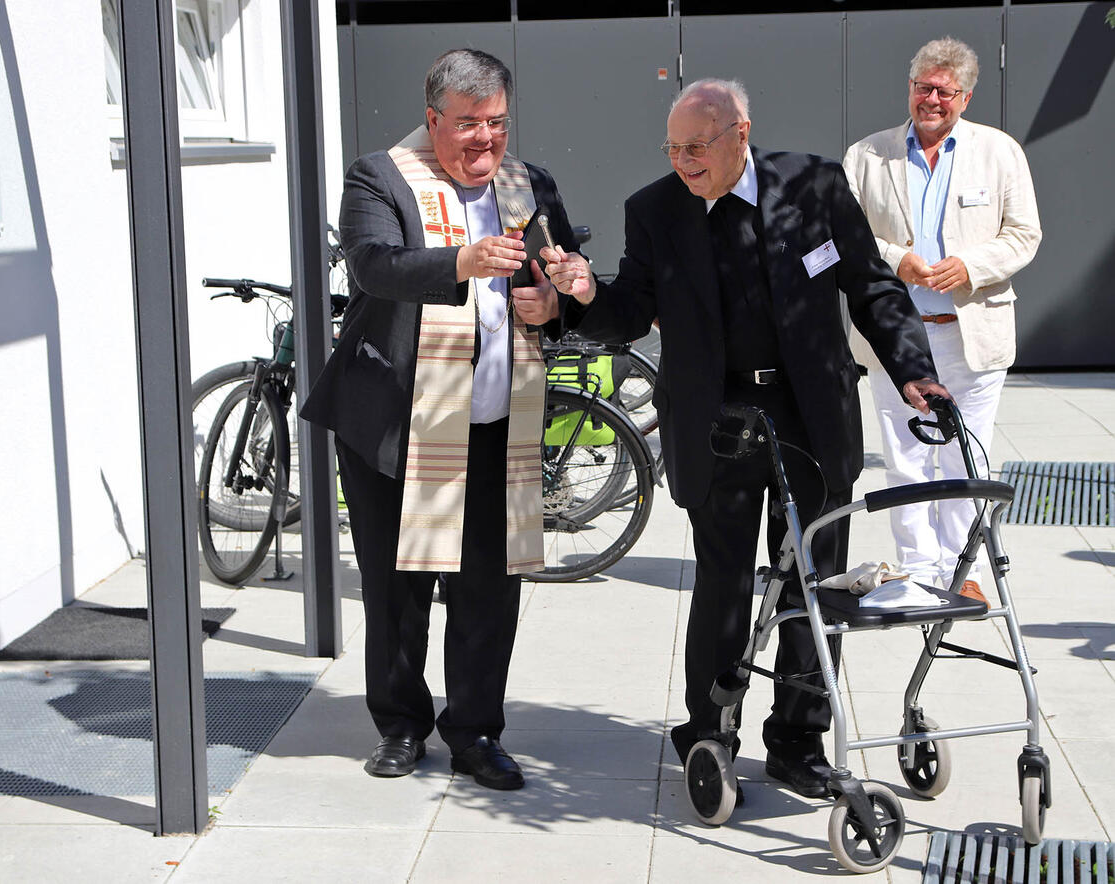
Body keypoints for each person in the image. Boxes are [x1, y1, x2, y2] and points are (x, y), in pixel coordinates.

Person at [540, 79, 949, 800]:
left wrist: (914, 370)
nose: (683, 162)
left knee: (815, 583)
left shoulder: (815, 186)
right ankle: (710, 731)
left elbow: (870, 285)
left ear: (741, 133)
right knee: (723, 583)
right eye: (672, 148)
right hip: (719, 420)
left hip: (810, 414)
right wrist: (585, 294)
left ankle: (798, 739)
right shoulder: (655, 209)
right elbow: (630, 309)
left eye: (696, 146)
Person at [300, 49, 579, 790]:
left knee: (490, 588)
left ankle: (477, 732)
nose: (486, 140)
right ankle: (400, 725)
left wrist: (553, 302)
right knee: (399, 586)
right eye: (468, 124)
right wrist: (462, 261)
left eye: (498, 123)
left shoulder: (530, 184)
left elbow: (560, 273)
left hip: (496, 422)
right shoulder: (380, 177)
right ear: (433, 120)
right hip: (398, 421)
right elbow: (373, 265)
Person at [843, 37, 1041, 606]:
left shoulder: (999, 152)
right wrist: (894, 258)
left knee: (965, 455)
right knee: (905, 458)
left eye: (944, 92)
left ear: (966, 97)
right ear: (909, 87)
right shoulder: (868, 155)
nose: (931, 100)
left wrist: (972, 266)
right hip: (894, 333)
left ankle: (960, 571)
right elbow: (845, 234)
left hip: (971, 331)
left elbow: (1024, 234)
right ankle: (914, 569)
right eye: (922, 87)